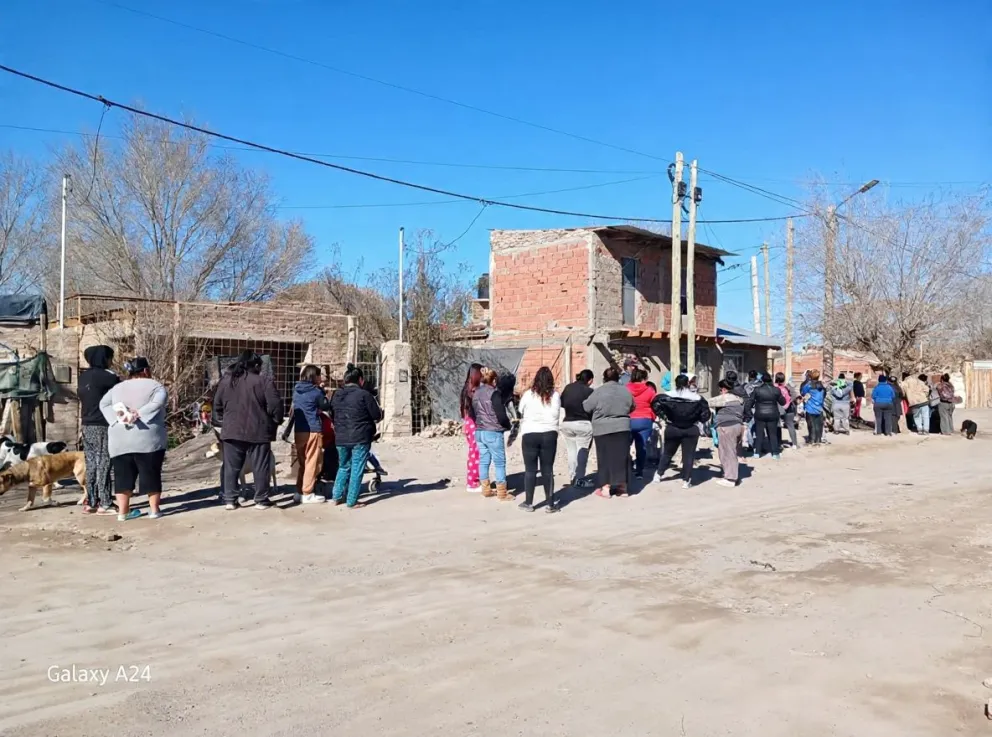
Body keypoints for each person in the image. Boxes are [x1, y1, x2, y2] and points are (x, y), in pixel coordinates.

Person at [212, 351, 284, 510]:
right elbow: (276, 405)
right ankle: (261, 499)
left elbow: (216, 405)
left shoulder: (226, 381)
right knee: (260, 465)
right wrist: (274, 421)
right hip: (258, 430)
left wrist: (224, 421)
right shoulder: (264, 381)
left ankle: (230, 499)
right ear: (256, 365)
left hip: (232, 430)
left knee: (231, 466)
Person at [98, 357, 168, 521]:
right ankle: (154, 510)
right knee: (151, 474)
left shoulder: (117, 387)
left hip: (120, 439)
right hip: (149, 439)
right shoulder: (156, 386)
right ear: (145, 371)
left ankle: (123, 512)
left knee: (122, 475)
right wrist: (139, 413)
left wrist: (117, 419)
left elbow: (103, 404)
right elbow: (158, 403)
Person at [330, 364, 383, 508]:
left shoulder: (336, 394)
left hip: (340, 437)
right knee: (357, 468)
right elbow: (377, 415)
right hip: (360, 437)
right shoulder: (364, 395)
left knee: (343, 466)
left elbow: (332, 414)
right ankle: (352, 501)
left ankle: (336, 496)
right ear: (360, 380)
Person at [78, 345, 120, 515]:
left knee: (91, 462)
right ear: (104, 358)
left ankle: (91, 501)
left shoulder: (83, 376)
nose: (111, 361)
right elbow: (121, 392)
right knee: (104, 462)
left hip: (86, 423)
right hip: (102, 423)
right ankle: (106, 502)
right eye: (110, 358)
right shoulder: (107, 377)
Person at [583, 366, 635, 498]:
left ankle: (606, 488)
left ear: (604, 378)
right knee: (622, 457)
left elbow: (587, 406)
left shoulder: (599, 391)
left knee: (604, 457)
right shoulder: (626, 391)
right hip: (622, 427)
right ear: (618, 378)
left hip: (602, 428)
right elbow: (633, 406)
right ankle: (622, 488)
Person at [652, 374, 710, 488]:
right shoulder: (697, 398)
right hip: (691, 428)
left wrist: (665, 416)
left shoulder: (667, 396)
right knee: (688, 455)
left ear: (675, 383)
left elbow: (655, 405)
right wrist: (697, 419)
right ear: (688, 383)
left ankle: (658, 475)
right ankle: (686, 480)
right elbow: (705, 414)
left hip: (673, 427)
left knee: (668, 453)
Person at [517, 366, 561, 513]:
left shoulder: (528, 395)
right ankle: (550, 504)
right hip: (549, 433)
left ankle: (529, 502)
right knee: (547, 469)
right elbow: (557, 414)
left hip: (530, 433)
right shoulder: (555, 395)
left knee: (530, 470)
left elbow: (520, 411)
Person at [292, 365, 332, 504]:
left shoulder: (296, 390)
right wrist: (322, 390)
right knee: (313, 462)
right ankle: (308, 493)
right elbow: (326, 406)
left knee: (303, 462)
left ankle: (299, 491)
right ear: (314, 376)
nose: (321, 378)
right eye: (319, 375)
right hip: (313, 430)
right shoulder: (316, 392)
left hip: (299, 430)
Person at [473, 367, 512, 500]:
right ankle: (502, 493)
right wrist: (507, 425)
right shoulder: (494, 393)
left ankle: (486, 489)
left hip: (479, 431)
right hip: (493, 431)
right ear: (494, 380)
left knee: (484, 461)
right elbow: (500, 414)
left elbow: (472, 412)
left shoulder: (476, 393)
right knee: (499, 462)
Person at [559, 369, 595, 488]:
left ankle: (572, 476)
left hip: (567, 423)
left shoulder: (568, 388)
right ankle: (580, 479)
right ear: (589, 380)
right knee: (582, 451)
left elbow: (562, 403)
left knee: (571, 451)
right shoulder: (590, 391)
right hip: (583, 424)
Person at [708, 379, 745, 487]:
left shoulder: (725, 398)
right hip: (738, 426)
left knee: (727, 452)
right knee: (731, 451)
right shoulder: (739, 399)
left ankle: (730, 478)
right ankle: (730, 473)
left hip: (726, 427)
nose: (720, 392)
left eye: (720, 390)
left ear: (724, 389)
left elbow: (708, 402)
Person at [626, 368, 657, 480]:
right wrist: (653, 417)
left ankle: (626, 468)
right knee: (641, 447)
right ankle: (639, 472)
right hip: (645, 420)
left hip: (628, 420)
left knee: (625, 446)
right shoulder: (650, 391)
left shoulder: (625, 389)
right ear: (644, 378)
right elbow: (655, 405)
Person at [747, 373, 785, 459]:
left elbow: (750, 402)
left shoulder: (757, 390)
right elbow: (783, 402)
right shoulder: (776, 390)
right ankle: (775, 453)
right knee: (773, 434)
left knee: (759, 434)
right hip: (772, 414)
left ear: (762, 380)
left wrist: (749, 412)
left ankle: (757, 453)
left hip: (760, 414)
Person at [460, 363, 483, 493]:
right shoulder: (474, 391)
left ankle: (474, 479)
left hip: (469, 423)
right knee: (475, 453)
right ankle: (473, 482)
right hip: (474, 424)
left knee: (474, 452)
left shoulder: (466, 388)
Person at [775, 372, 800, 449]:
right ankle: (795, 444)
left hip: (777, 409)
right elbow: (794, 396)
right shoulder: (788, 387)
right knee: (790, 425)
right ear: (784, 379)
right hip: (789, 409)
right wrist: (788, 402)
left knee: (778, 426)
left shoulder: (774, 388)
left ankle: (779, 444)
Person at [802, 369, 827, 445]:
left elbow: (803, 393)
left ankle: (811, 440)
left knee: (811, 425)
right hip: (819, 408)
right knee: (819, 426)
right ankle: (818, 440)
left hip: (810, 408)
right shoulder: (822, 386)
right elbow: (824, 395)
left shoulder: (808, 385)